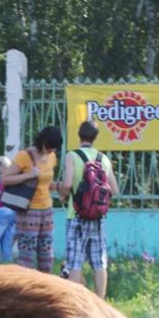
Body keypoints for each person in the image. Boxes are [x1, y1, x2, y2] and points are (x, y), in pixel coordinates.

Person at [59, 120, 119, 299]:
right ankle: (101, 301)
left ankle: (74, 302)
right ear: (95, 137)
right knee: (99, 262)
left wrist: (62, 195)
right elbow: (114, 190)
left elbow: (67, 184)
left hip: (76, 215)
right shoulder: (103, 159)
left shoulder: (72, 156)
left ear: (79, 135)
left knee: (75, 262)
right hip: (98, 217)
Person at [0, 126, 63, 272]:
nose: (52, 151)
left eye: (55, 148)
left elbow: (45, 183)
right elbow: (5, 179)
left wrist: (59, 187)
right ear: (43, 142)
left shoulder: (52, 157)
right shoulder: (24, 156)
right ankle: (23, 283)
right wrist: (28, 175)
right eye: (50, 147)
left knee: (47, 254)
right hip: (29, 210)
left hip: (47, 210)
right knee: (27, 254)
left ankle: (44, 282)